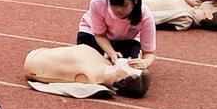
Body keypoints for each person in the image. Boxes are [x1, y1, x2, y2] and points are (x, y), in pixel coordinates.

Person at [77, 0, 156, 68]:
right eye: (113, 4)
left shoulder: (145, 16)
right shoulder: (97, 3)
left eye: (124, 5)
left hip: (125, 39)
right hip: (92, 34)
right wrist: (111, 53)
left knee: (128, 67)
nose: (119, 10)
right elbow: (99, 35)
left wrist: (145, 62)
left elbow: (150, 53)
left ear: (135, 0)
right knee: (86, 64)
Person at [22, 44, 151, 98]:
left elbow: (67, 88)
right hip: (40, 53)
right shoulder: (104, 62)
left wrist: (37, 85)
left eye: (131, 67)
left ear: (122, 81)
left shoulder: (90, 78)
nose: (130, 62)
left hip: (34, 63)